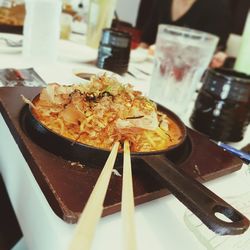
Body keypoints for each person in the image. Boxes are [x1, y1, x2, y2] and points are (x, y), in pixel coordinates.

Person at [139, 0, 231, 67]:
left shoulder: (217, 7)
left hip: (188, 75)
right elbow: (146, 41)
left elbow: (215, 54)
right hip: (152, 68)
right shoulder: (162, 2)